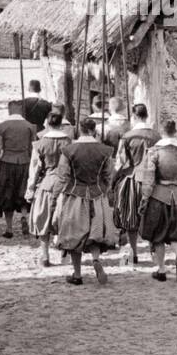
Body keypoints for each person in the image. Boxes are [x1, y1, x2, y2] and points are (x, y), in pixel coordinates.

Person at [53, 118, 117, 286]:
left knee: (75, 236)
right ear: (94, 130)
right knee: (95, 233)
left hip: (75, 196)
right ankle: (95, 259)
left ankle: (77, 274)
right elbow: (109, 175)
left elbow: (63, 176)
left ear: (79, 130)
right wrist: (104, 189)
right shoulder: (105, 151)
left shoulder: (69, 150)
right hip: (97, 196)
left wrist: (55, 196)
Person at [138, 119, 177, 282]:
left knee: (158, 234)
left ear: (161, 132)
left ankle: (161, 269)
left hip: (159, 196)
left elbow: (149, 178)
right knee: (176, 232)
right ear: (175, 131)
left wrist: (145, 197)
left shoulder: (153, 152)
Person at [112, 103, 160, 264]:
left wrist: (115, 178)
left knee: (130, 217)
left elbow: (122, 161)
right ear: (146, 116)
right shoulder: (157, 136)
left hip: (133, 179)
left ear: (134, 117)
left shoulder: (127, 137)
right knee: (153, 217)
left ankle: (133, 252)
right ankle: (154, 251)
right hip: (153, 181)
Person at [25, 109, 72, 267]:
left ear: (47, 123)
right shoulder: (69, 142)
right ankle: (66, 253)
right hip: (66, 185)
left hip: (47, 184)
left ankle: (45, 255)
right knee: (66, 219)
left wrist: (30, 189)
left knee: (44, 219)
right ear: (61, 123)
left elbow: (35, 168)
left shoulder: (40, 143)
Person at [0, 99, 36, 238]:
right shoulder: (30, 127)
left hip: (7, 163)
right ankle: (24, 217)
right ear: (21, 111)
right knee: (23, 192)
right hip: (25, 163)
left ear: (9, 110)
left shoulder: (2, 126)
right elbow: (34, 148)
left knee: (7, 195)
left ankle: (9, 228)